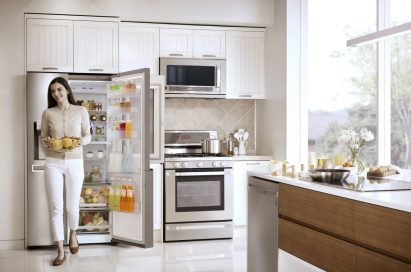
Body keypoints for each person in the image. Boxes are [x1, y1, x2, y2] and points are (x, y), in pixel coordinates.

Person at [40, 77, 91, 266]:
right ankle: (60, 251)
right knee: (56, 208)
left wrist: (80, 142)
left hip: (75, 161)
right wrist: (47, 142)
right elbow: (43, 137)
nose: (56, 94)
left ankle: (73, 234)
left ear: (67, 90)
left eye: (59, 90)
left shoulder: (81, 111)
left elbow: (88, 135)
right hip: (53, 161)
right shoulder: (47, 113)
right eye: (53, 91)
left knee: (72, 207)